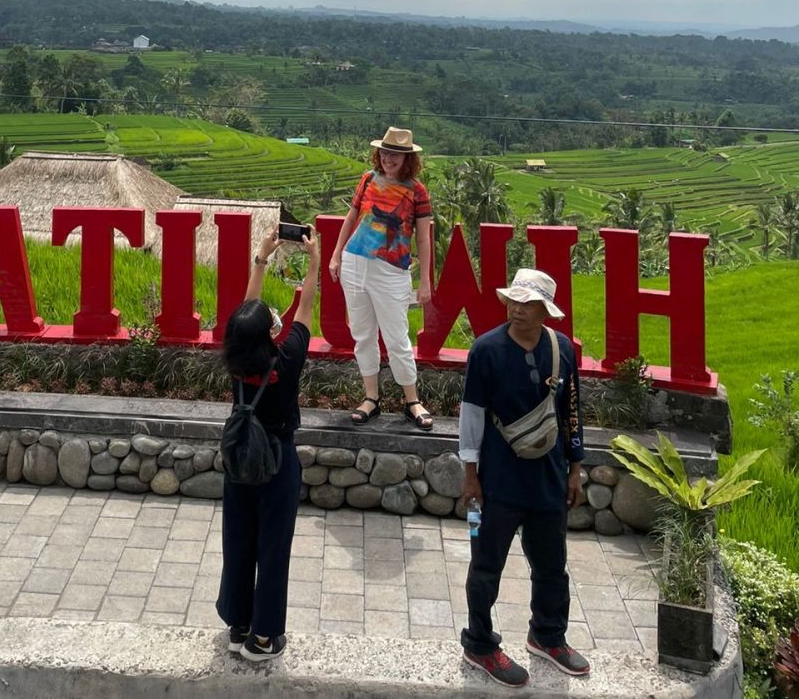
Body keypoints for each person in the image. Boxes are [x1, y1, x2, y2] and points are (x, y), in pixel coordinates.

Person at [458, 268, 589, 687]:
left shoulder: (562, 349)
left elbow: (571, 411)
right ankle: (479, 643)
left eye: (527, 303)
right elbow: (471, 416)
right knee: (486, 566)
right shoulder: (486, 350)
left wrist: (575, 467)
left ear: (544, 311)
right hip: (498, 481)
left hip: (549, 478)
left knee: (553, 565)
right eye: (513, 300)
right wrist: (470, 474)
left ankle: (548, 635)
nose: (517, 309)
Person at [217, 228, 319, 662]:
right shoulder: (287, 359)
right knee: (273, 547)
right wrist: (314, 262)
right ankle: (263, 639)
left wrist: (261, 257)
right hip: (277, 460)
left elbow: (247, 313)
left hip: (239, 462)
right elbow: (307, 310)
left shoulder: (234, 358)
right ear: (268, 334)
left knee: (238, 539)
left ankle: (238, 625)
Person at [327, 126, 433, 430]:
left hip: (391, 271)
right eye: (385, 152)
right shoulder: (367, 179)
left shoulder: (417, 191)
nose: (389, 158)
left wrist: (424, 281)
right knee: (362, 335)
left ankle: (412, 400)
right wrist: (336, 255)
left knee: (397, 337)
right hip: (355, 263)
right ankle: (371, 397)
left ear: (407, 158)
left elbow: (423, 239)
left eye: (396, 154)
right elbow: (351, 217)